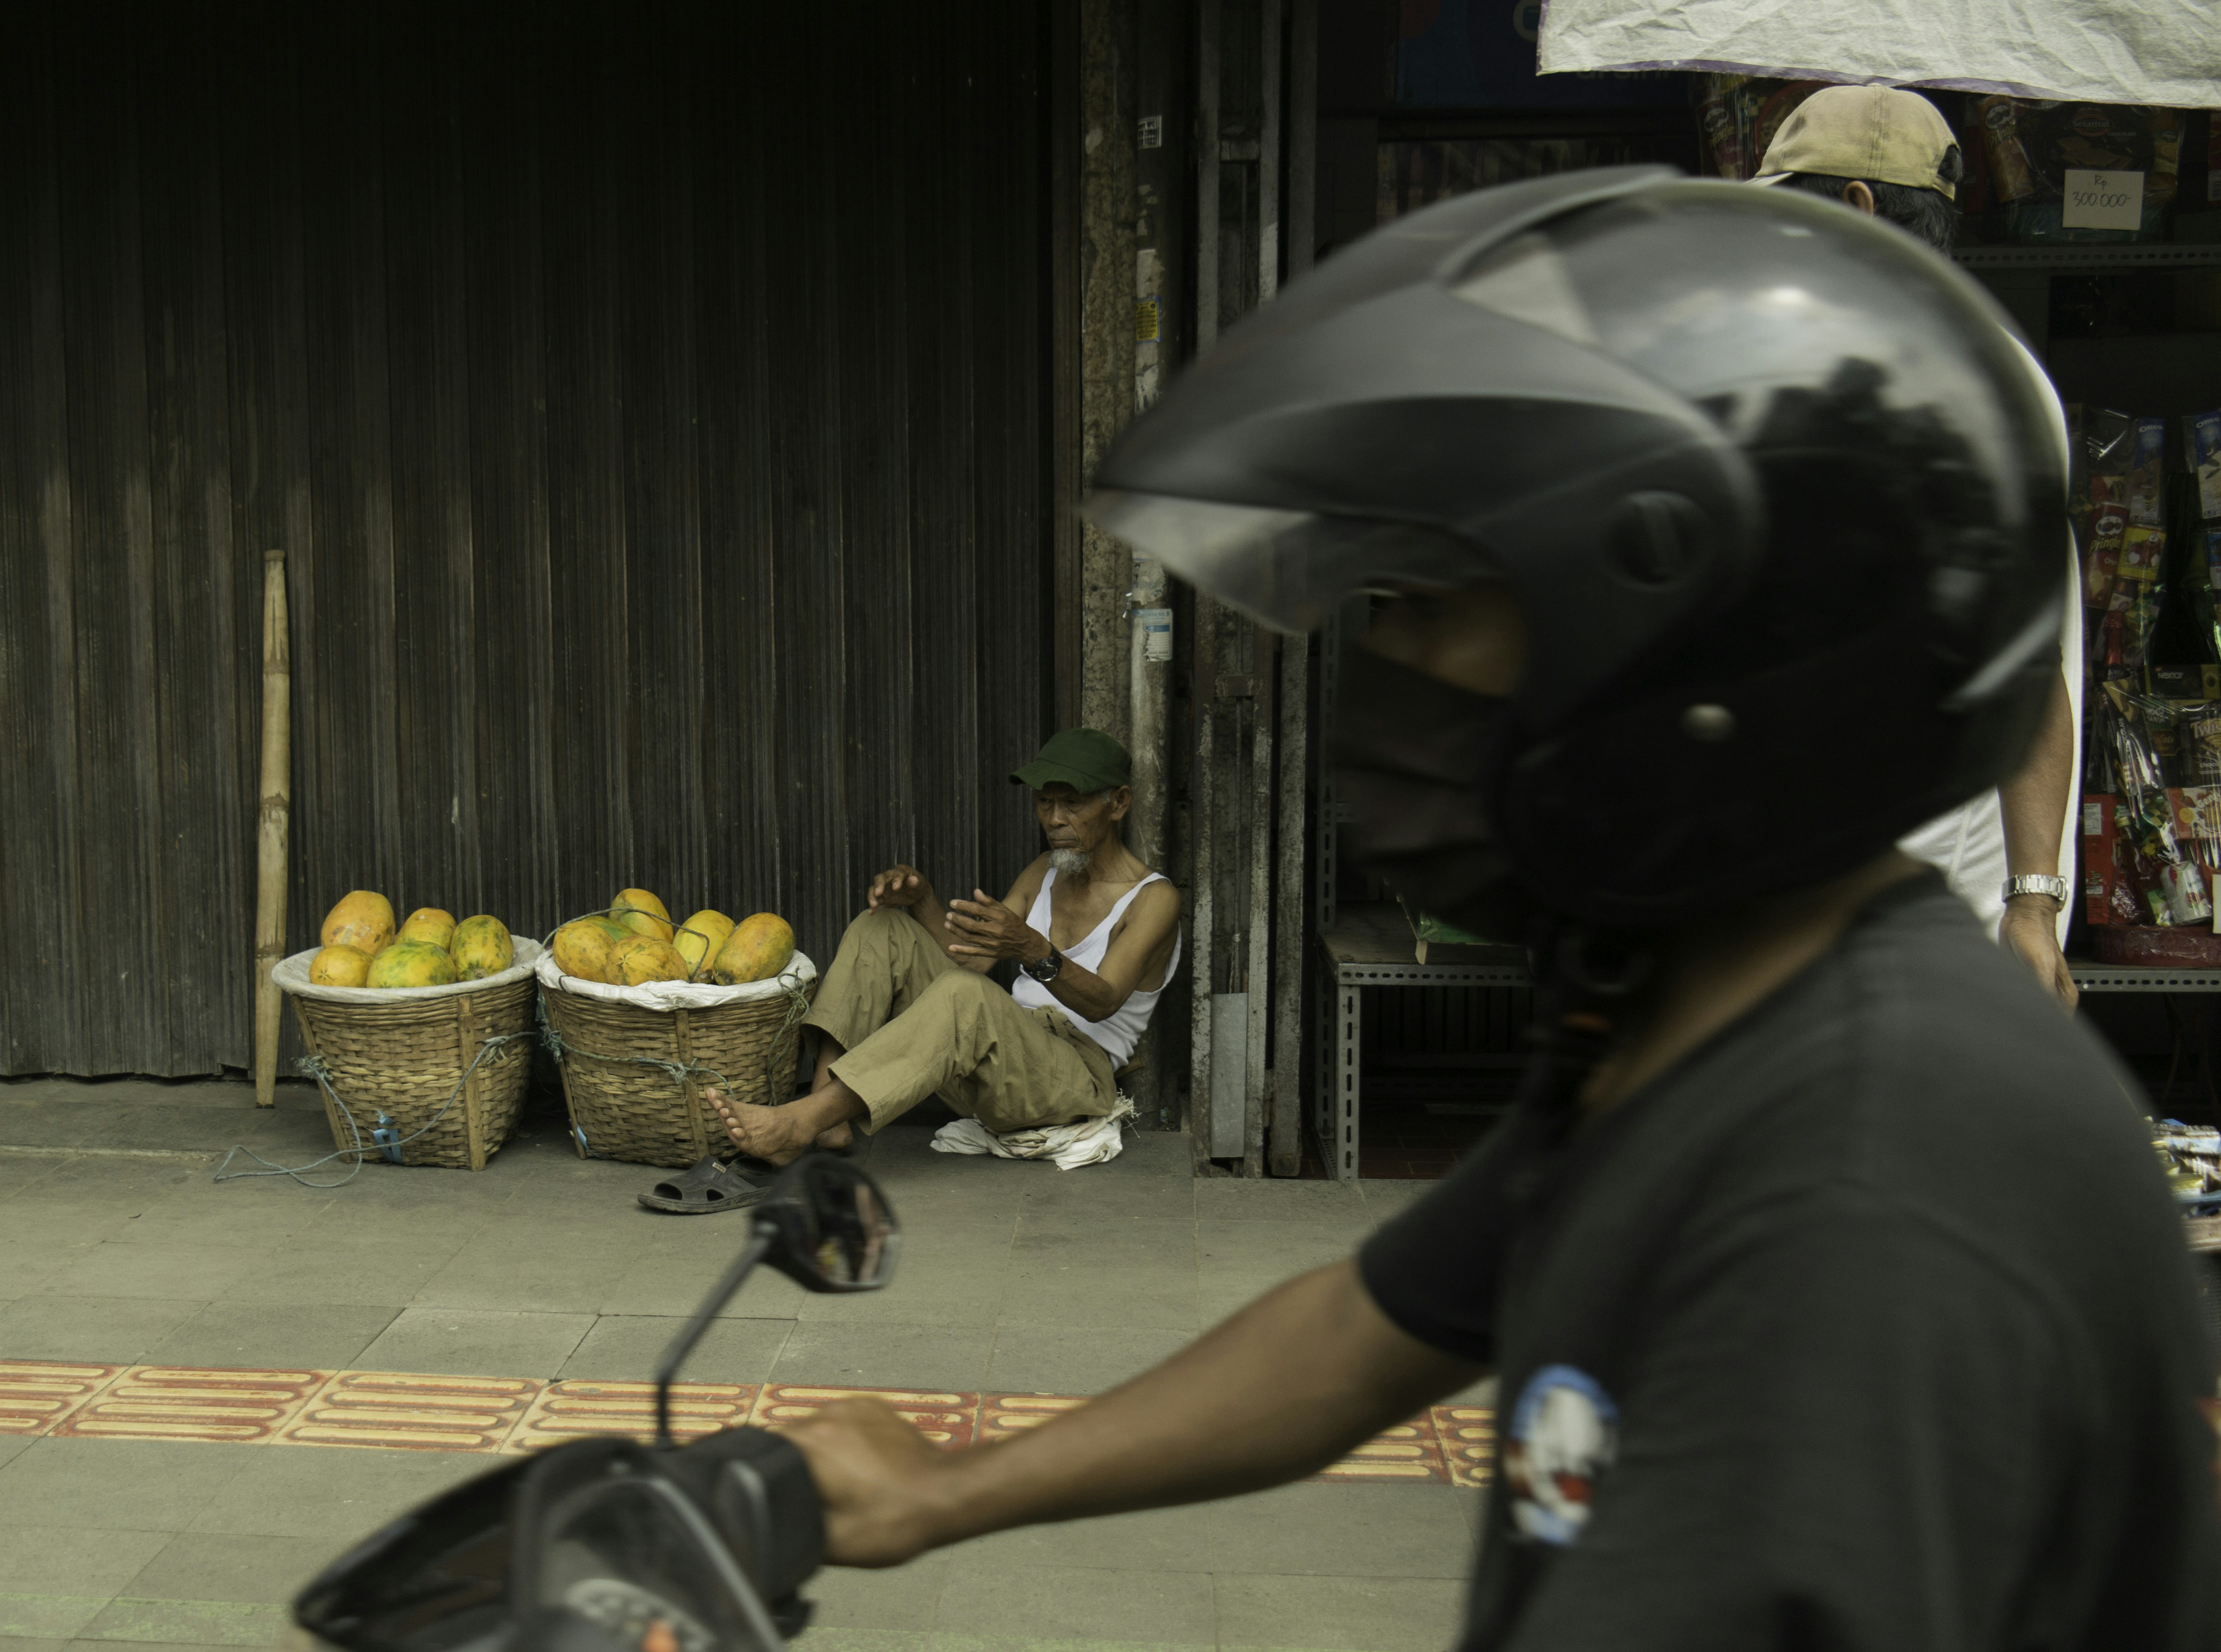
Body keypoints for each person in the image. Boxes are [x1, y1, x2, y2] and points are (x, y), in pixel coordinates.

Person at [782, 170, 2221, 1645]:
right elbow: (1357, 1338)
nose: (1391, 668)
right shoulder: (1682, 1011)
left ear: (1682, 651)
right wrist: (952, 1489)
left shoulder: (1865, 1181)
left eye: (1435, 605)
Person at [1755, 84, 2085, 1009]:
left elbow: (2022, 661)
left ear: (1859, 207)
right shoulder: (1847, 362)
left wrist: (2031, 905)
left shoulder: (1966, 391)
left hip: (1920, 893)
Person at [708, 728, 1180, 1165]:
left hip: (1073, 1079)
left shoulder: (1154, 899)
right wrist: (922, 900)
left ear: (1118, 803)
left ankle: (800, 1121)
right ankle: (829, 1120)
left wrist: (1031, 947)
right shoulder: (1045, 870)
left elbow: (1102, 1002)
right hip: (1002, 1056)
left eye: (1072, 804)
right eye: (1045, 803)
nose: (1055, 819)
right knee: (882, 927)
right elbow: (973, 958)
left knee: (965, 995)